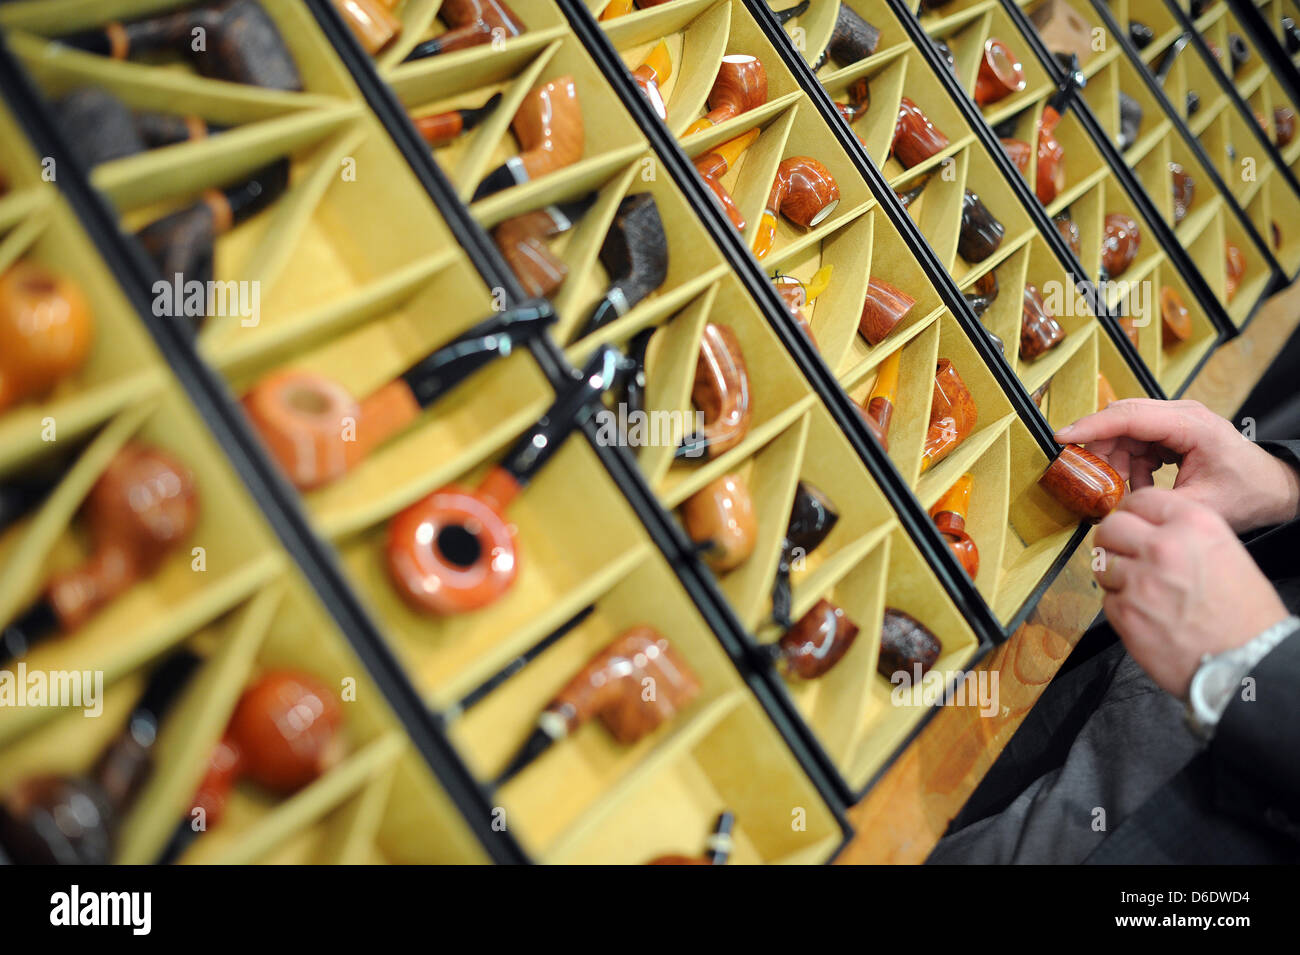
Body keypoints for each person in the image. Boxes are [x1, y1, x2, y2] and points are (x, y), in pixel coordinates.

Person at [928, 398, 1300, 864]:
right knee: (962, 752)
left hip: (1238, 806)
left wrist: (1255, 662)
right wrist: (1286, 485)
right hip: (1211, 609)